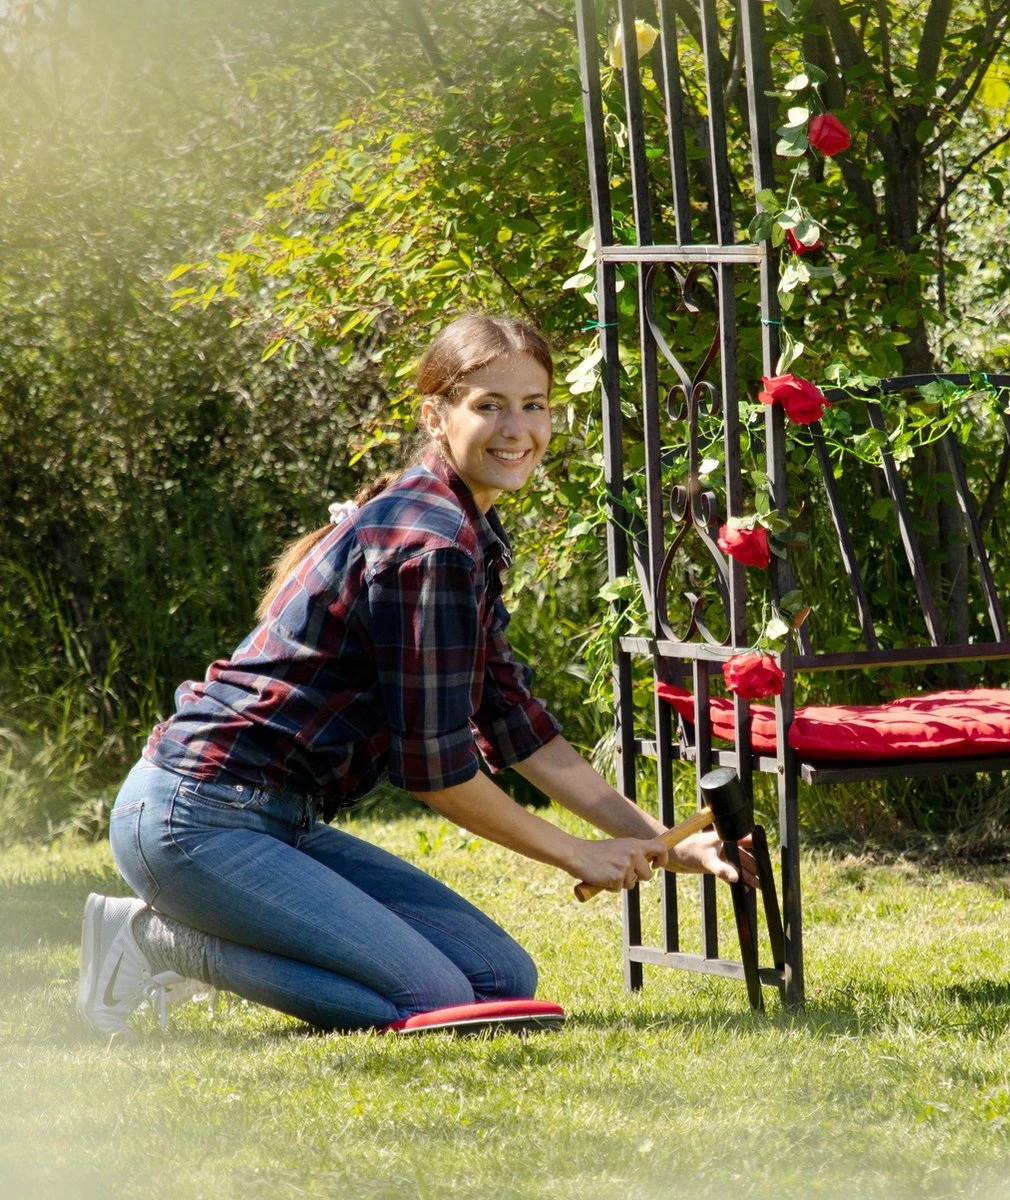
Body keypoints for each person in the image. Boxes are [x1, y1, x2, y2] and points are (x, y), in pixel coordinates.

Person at [77, 313, 744, 1038]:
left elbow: (516, 726)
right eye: (488, 406)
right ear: (436, 414)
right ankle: (150, 940)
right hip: (196, 819)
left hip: (278, 821)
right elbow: (436, 771)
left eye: (534, 405)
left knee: (500, 982)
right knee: (438, 1005)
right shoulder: (430, 544)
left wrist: (662, 840)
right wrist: (575, 852)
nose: (516, 428)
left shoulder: (465, 529)